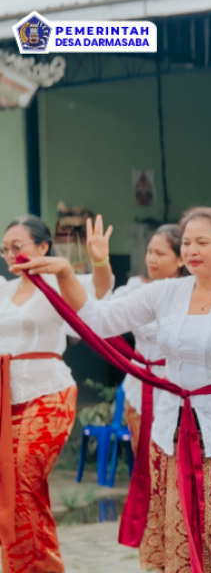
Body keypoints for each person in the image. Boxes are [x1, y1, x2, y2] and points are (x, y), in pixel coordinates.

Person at [13, 207, 211, 573]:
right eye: (187, 241)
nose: (191, 249)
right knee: (177, 536)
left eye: (202, 242)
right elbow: (99, 318)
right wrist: (66, 272)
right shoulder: (165, 293)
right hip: (170, 430)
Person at [0, 214, 112, 573]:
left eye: (18, 246)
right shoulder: (3, 291)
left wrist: (98, 260)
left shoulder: (58, 281)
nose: (10, 254)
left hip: (48, 393)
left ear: (43, 246)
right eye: (5, 249)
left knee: (23, 480)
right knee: (13, 491)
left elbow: (99, 288)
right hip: (6, 398)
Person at [114, 225, 188, 455]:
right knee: (144, 458)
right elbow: (104, 312)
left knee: (173, 462)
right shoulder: (135, 288)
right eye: (149, 252)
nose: (151, 259)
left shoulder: (192, 294)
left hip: (177, 386)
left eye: (160, 253)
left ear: (180, 260)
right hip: (139, 383)